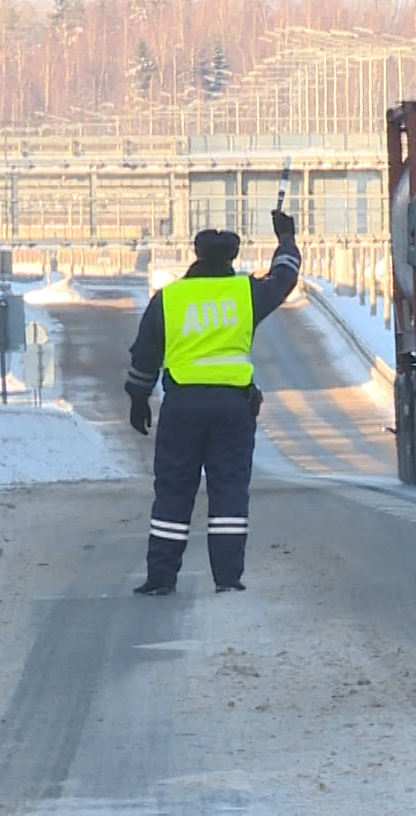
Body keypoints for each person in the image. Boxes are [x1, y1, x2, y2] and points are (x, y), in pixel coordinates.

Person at [125, 209, 300, 595]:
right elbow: (285, 277)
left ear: (197, 255)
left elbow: (145, 353)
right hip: (233, 409)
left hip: (182, 406)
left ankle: (160, 578)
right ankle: (228, 579)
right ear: (232, 258)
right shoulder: (246, 293)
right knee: (229, 489)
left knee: (173, 489)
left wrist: (139, 398)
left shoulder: (170, 298)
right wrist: (286, 239)